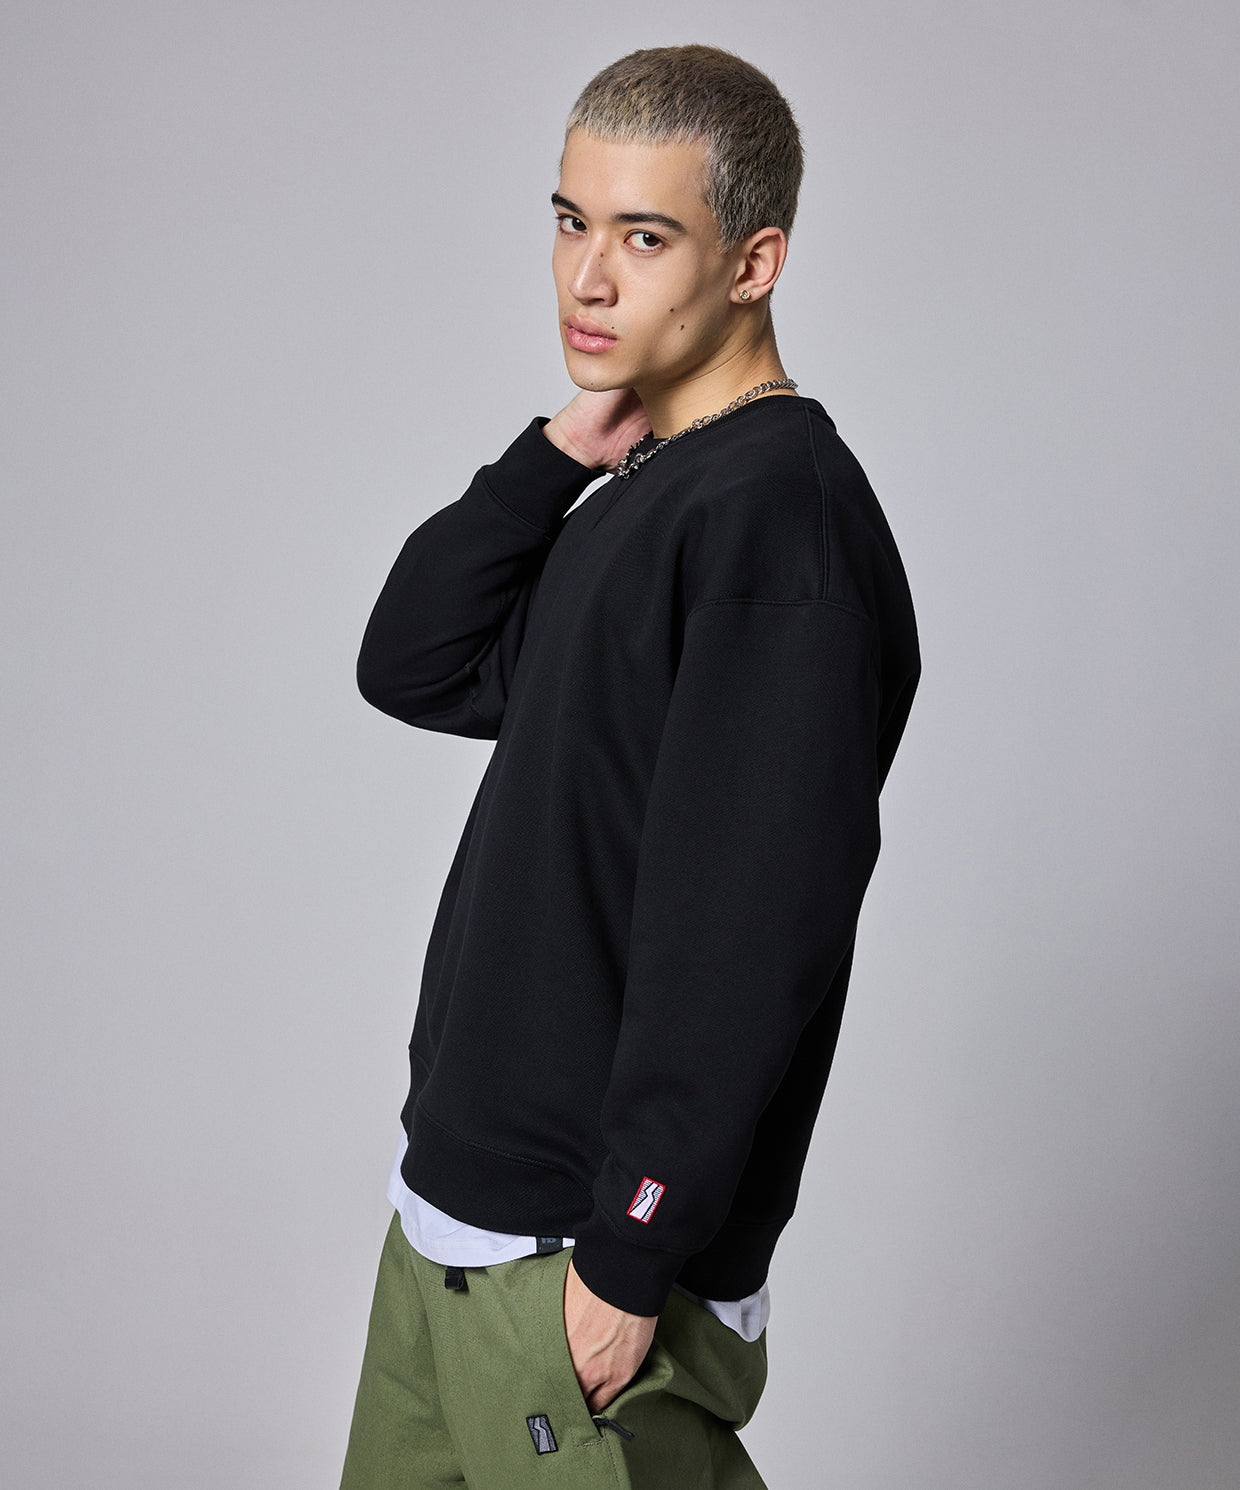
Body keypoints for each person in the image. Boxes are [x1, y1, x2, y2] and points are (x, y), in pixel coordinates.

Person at [342, 43, 920, 1490]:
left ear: (753, 263)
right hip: (455, 1219)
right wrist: (553, 459)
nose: (587, 278)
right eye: (570, 221)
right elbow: (412, 661)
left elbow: (749, 927)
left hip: (579, 1260)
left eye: (645, 237)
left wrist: (632, 1244)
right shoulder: (642, 492)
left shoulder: (778, 522)